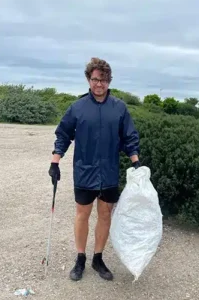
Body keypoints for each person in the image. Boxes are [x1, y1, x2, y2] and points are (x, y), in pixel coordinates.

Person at [48, 57, 141, 282]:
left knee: (105, 214)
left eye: (104, 80)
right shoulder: (77, 107)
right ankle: (80, 258)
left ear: (109, 81)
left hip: (109, 171)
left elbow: (129, 137)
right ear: (89, 80)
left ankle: (97, 258)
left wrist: (136, 162)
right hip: (85, 170)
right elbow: (63, 134)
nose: (100, 84)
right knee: (82, 214)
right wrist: (55, 161)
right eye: (96, 79)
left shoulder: (119, 108)